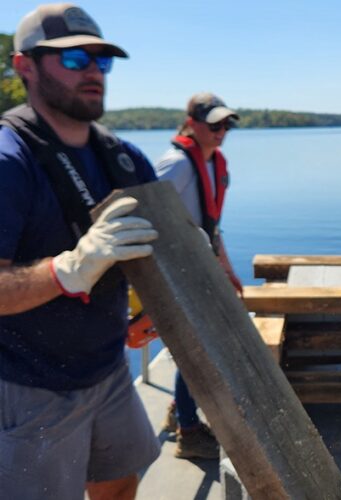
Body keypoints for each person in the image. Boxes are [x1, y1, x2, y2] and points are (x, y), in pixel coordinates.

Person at [0, 4, 161, 499]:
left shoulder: (124, 157)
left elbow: (157, 250)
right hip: (31, 386)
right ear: (24, 65)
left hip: (108, 368)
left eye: (101, 60)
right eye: (73, 60)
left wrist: (151, 305)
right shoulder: (9, 160)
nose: (93, 71)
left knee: (119, 484)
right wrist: (69, 269)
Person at [154, 92, 242, 460]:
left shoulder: (215, 164)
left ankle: (179, 410)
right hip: (178, 275)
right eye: (214, 125)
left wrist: (226, 268)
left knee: (203, 347)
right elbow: (140, 210)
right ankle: (188, 432)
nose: (222, 132)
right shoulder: (175, 165)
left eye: (227, 124)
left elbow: (211, 225)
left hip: (203, 270)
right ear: (192, 124)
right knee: (198, 353)